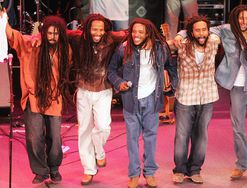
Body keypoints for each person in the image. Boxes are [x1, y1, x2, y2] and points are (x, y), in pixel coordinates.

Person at [175, 4, 247, 180]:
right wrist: (180, 34)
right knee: (238, 128)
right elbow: (200, 29)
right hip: (236, 87)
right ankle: (241, 165)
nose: (243, 21)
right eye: (240, 18)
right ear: (234, 18)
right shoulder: (226, 30)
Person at [2, 10, 72, 184]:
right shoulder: (30, 44)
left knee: (55, 138)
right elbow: (13, 35)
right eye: (49, 32)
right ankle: (41, 170)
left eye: (56, 33)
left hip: (54, 98)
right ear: (44, 31)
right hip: (33, 98)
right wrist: (3, 18)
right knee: (34, 138)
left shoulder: (65, 50)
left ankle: (54, 168)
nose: (52, 36)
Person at [108, 18, 177, 188]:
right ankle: (133, 174)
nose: (136, 35)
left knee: (150, 138)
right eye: (134, 32)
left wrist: (171, 86)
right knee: (132, 139)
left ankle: (150, 172)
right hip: (131, 100)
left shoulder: (160, 48)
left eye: (140, 32)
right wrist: (119, 83)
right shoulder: (124, 49)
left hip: (152, 100)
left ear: (148, 33)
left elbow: (172, 67)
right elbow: (111, 71)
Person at [67, 13, 125, 185]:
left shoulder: (111, 39)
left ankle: (99, 152)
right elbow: (61, 32)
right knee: (84, 130)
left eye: (101, 29)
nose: (97, 32)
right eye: (94, 29)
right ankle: (89, 169)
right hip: (83, 89)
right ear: (88, 29)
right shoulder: (79, 39)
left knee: (103, 126)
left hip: (104, 89)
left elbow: (131, 32)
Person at [169, 16, 220, 184]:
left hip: (207, 97)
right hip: (186, 97)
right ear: (191, 32)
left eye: (204, 29)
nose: (201, 34)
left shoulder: (213, 41)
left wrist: (182, 33)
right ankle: (180, 170)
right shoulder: (183, 45)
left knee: (201, 136)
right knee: (182, 136)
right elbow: (169, 43)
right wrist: (180, 35)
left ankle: (195, 169)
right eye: (197, 30)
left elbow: (220, 30)